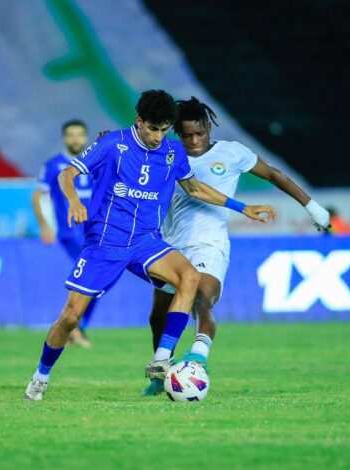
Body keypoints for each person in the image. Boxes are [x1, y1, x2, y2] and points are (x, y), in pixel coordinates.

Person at [23, 90, 275, 401]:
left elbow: (195, 188)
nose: (158, 137)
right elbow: (67, 174)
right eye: (153, 129)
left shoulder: (172, 151)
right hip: (106, 241)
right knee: (71, 317)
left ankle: (160, 361)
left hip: (146, 240)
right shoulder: (112, 143)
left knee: (189, 277)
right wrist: (74, 201)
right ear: (139, 121)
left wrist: (242, 207)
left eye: (164, 130)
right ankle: (41, 376)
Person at [140, 97, 331, 396]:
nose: (194, 141)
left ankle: (198, 357)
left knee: (203, 299)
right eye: (187, 136)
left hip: (210, 244)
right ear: (177, 133)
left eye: (199, 133)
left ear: (208, 127)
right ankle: (160, 375)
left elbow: (274, 175)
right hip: (171, 245)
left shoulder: (232, 153)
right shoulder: (167, 153)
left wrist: (312, 206)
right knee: (158, 317)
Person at [32, 119, 96, 347]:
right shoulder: (53, 165)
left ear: (85, 137)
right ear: (64, 138)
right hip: (71, 231)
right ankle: (75, 327)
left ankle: (74, 327)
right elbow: (37, 196)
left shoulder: (95, 161)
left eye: (80, 135)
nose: (75, 139)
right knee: (91, 274)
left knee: (95, 279)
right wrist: (44, 226)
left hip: (94, 230)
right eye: (71, 135)